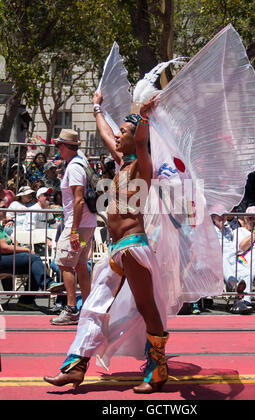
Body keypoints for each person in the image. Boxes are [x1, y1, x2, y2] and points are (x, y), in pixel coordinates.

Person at [44, 92, 169, 394]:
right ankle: (75, 366)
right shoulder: (122, 166)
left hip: (133, 247)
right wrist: (97, 106)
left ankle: (157, 368)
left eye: (122, 132)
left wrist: (143, 116)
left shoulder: (142, 165)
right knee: (93, 308)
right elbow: (104, 134)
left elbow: (139, 141)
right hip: (115, 251)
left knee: (146, 307)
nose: (117, 135)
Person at [48, 129, 97, 326]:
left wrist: (74, 231)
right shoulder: (80, 163)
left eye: (59, 145)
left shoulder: (75, 167)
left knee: (65, 264)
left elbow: (78, 200)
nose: (58, 148)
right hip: (86, 225)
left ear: (67, 147)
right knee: (79, 264)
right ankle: (88, 308)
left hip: (78, 226)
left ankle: (70, 309)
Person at [0, 203, 57, 310]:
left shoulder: (1, 226)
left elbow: (9, 242)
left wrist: (13, 242)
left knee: (36, 266)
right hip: (2, 259)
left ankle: (26, 300)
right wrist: (27, 249)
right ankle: (48, 284)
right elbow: (4, 248)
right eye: (2, 208)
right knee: (33, 258)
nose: (5, 210)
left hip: (6, 258)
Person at [212, 214, 252, 314]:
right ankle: (235, 284)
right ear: (213, 217)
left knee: (247, 272)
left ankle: (244, 302)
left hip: (232, 257)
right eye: (219, 215)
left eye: (224, 215)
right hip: (215, 259)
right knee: (223, 259)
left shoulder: (228, 228)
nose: (222, 217)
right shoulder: (208, 229)